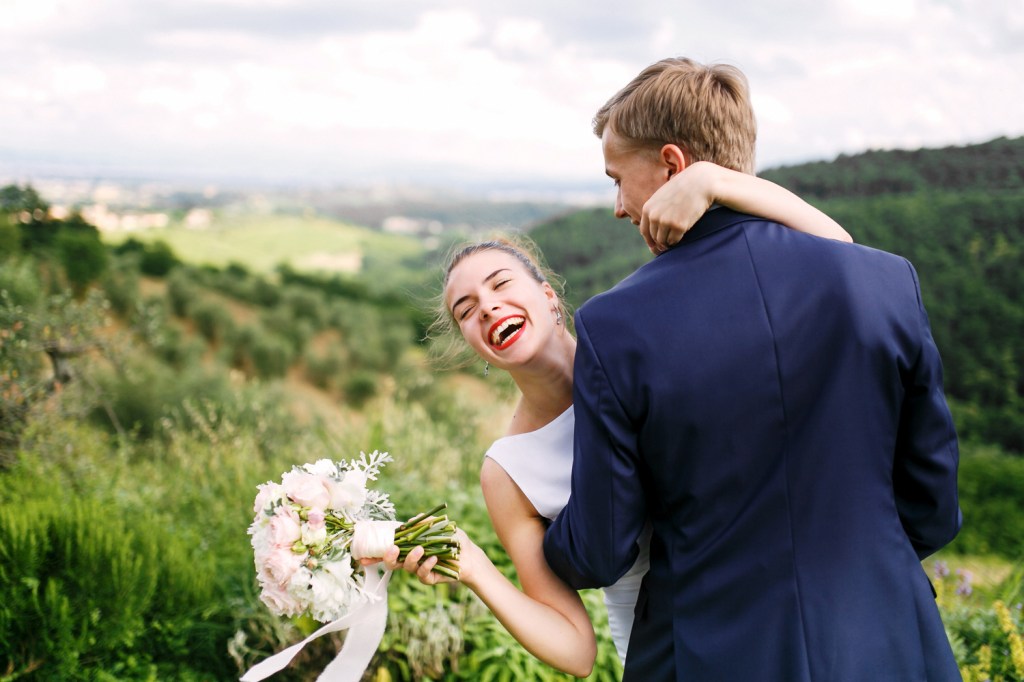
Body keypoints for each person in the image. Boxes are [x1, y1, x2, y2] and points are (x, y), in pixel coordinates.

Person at [540, 57, 962, 680]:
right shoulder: (884, 281)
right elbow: (933, 506)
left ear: (673, 166)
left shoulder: (614, 325)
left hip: (707, 654)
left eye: (617, 179)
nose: (619, 207)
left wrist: (533, 527)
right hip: (890, 642)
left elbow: (601, 548)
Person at [372, 162, 853, 676]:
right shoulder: (507, 471)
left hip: (776, 617)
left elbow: (840, 252)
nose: (487, 309)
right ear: (472, 343)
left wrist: (717, 182)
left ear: (548, 295)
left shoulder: (645, 348)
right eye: (466, 310)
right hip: (664, 658)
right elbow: (576, 652)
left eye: (500, 285)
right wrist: (475, 569)